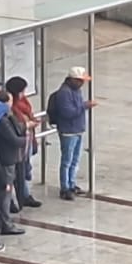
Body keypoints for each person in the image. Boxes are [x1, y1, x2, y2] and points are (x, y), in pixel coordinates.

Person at [46, 68, 94, 200]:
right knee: (67, 160)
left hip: (78, 129)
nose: (82, 84)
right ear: (73, 79)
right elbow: (68, 112)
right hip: (68, 131)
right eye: (80, 81)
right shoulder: (64, 93)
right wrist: (85, 106)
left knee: (75, 159)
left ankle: (72, 183)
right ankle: (65, 187)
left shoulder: (76, 90)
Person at [0, 91, 27, 236]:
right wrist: (25, 140)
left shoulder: (2, 117)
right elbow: (14, 139)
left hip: (3, 159)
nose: (11, 103)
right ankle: (6, 223)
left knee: (3, 192)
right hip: (6, 160)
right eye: (9, 101)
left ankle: (0, 220)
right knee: (5, 192)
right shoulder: (2, 121)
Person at [6, 76, 42, 209]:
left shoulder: (24, 103)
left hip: (27, 141)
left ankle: (25, 195)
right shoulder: (12, 108)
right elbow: (16, 125)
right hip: (19, 145)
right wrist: (28, 124)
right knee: (16, 173)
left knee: (26, 169)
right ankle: (15, 199)